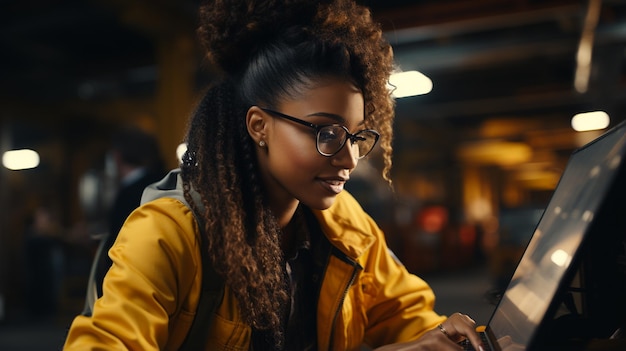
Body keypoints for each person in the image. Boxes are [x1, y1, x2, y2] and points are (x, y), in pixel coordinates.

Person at [63, 0, 485, 350]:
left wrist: (461, 338)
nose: (350, 158)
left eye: (357, 136)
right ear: (259, 126)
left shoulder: (346, 226)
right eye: (326, 132)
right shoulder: (168, 235)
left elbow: (409, 319)